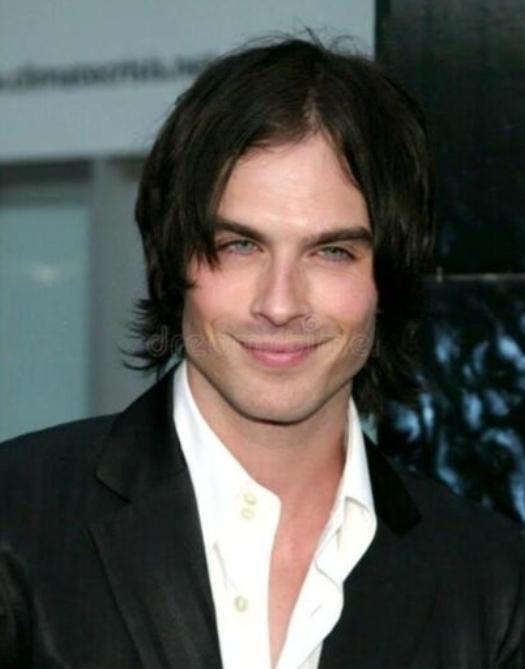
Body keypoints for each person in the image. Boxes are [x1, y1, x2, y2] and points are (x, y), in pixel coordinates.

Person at [0, 35, 523, 669]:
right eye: (241, 246)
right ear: (174, 259)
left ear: (387, 280)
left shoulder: (493, 585)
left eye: (332, 252)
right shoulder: (17, 521)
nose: (280, 304)